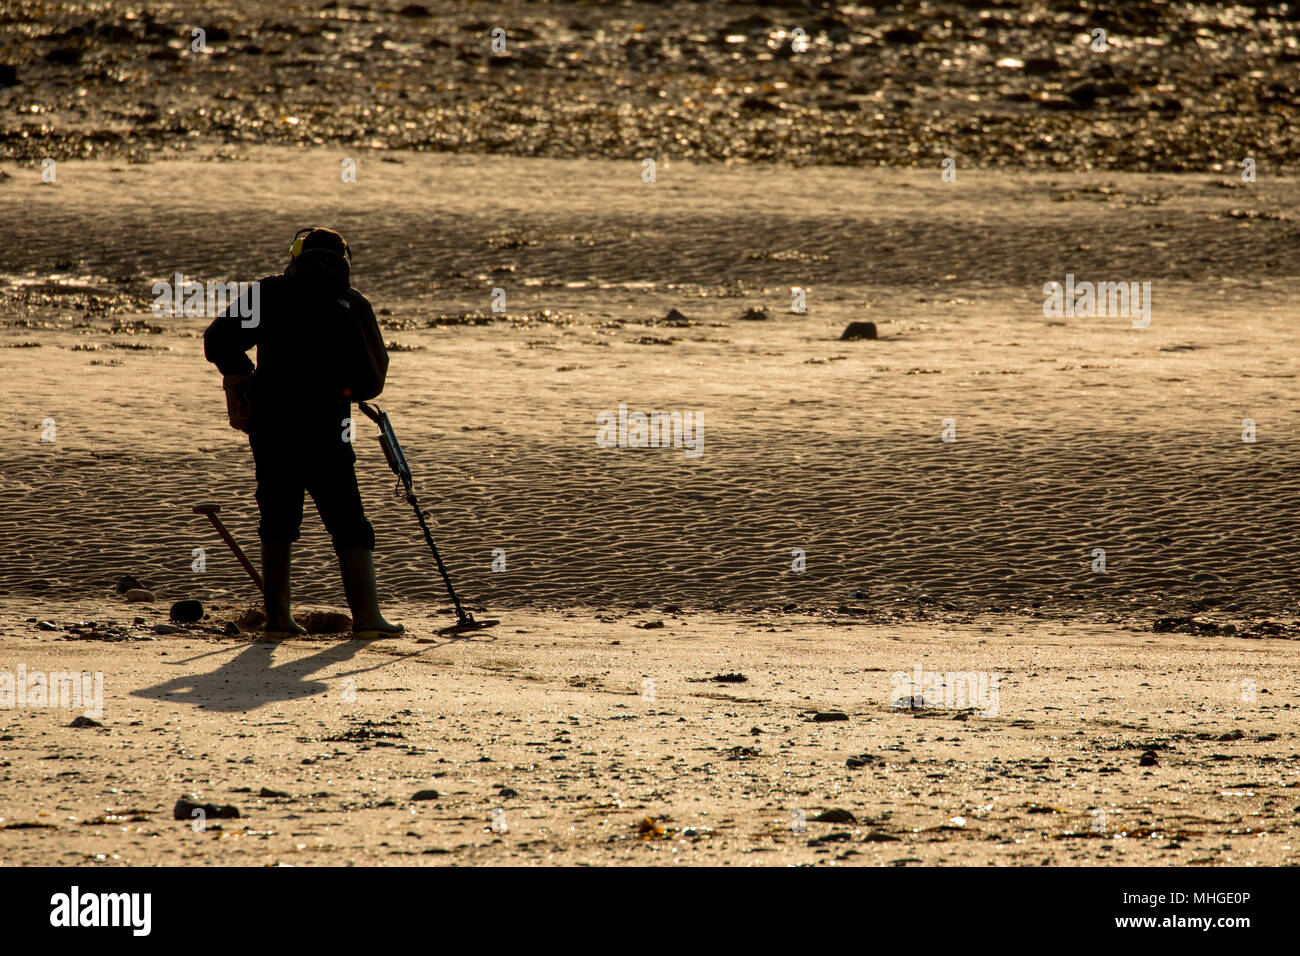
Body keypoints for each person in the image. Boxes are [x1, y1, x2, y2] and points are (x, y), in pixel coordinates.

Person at [204, 227, 403, 637]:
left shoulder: (269, 294)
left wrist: (244, 374)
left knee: (277, 517)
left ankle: (278, 619)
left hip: (271, 424)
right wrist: (342, 386)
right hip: (329, 425)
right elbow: (371, 381)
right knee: (348, 519)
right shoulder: (352, 304)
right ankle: (368, 618)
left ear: (296, 255)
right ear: (345, 263)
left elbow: (218, 341)